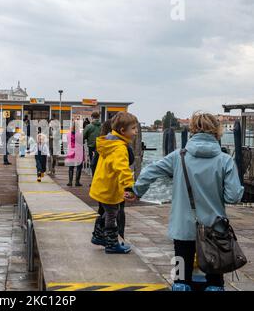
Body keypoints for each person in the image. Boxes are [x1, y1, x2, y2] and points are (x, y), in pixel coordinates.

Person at [126, 112, 244, 291]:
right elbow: (233, 197)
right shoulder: (225, 160)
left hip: (182, 229)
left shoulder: (178, 156)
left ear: (192, 130)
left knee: (181, 281)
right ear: (217, 131)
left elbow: (150, 171)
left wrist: (137, 190)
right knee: (214, 283)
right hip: (215, 231)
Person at [89, 112, 138, 254]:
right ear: (123, 131)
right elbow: (123, 169)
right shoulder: (119, 148)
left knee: (108, 212)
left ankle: (98, 235)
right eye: (134, 128)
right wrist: (129, 187)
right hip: (109, 188)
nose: (136, 132)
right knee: (112, 214)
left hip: (102, 185)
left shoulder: (110, 142)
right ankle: (111, 243)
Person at [65, 121, 84, 187]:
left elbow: (68, 141)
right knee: (79, 167)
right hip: (78, 151)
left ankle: (70, 182)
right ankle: (77, 182)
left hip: (71, 150)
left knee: (71, 167)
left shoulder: (68, 134)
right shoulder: (79, 134)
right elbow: (82, 142)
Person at [83, 112, 101, 176]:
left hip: (91, 147)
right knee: (99, 163)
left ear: (92, 117)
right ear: (99, 117)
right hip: (100, 147)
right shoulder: (102, 126)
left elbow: (83, 136)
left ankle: (93, 178)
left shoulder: (89, 126)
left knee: (92, 162)